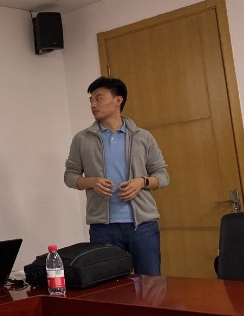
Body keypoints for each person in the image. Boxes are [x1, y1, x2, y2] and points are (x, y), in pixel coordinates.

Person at [64, 77, 169, 275]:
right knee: (108, 285)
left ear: (118, 100)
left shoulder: (142, 136)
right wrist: (91, 182)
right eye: (91, 100)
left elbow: (162, 176)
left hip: (143, 226)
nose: (93, 105)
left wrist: (142, 182)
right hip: (103, 227)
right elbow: (70, 176)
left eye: (99, 98)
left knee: (151, 284)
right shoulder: (82, 139)